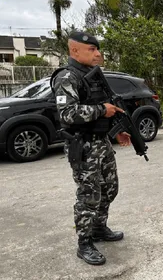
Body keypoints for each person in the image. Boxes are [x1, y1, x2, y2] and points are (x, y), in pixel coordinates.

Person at [51, 31, 131, 265]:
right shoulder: (67, 77)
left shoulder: (93, 76)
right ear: (74, 50)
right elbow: (67, 113)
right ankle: (84, 243)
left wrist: (117, 130)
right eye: (91, 50)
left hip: (101, 142)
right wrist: (100, 111)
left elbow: (106, 107)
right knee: (89, 196)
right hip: (82, 145)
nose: (98, 54)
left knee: (109, 189)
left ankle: (98, 228)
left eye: (97, 49)